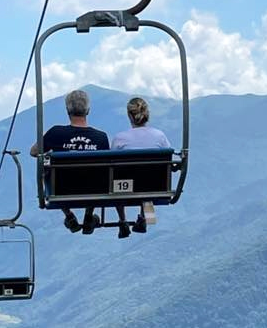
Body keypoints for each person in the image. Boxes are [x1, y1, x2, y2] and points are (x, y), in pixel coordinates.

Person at [30, 88, 108, 234]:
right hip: (92, 190)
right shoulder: (101, 137)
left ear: (67, 110)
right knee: (96, 174)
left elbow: (34, 152)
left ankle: (69, 215)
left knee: (48, 167)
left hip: (62, 190)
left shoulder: (55, 133)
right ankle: (89, 213)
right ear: (88, 110)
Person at [111, 96, 173, 239]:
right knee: (149, 176)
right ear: (147, 114)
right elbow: (169, 160)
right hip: (155, 186)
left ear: (129, 115)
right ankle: (145, 215)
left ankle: (122, 220)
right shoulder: (159, 136)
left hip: (125, 187)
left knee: (115, 179)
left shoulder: (120, 138)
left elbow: (111, 164)